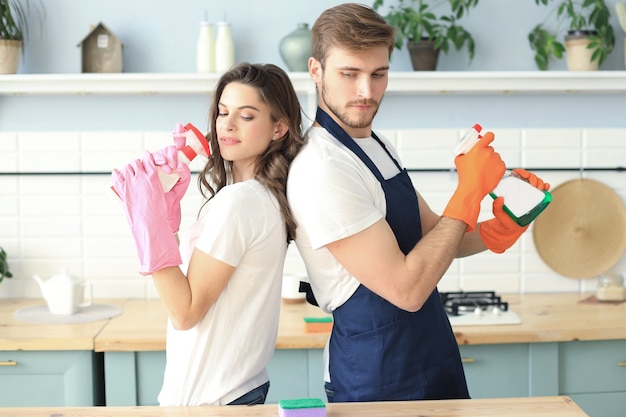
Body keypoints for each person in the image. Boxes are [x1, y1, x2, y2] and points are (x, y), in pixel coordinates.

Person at [286, 3, 550, 403]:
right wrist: (468, 192)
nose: (366, 91)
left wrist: (500, 228)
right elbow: (407, 290)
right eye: (349, 74)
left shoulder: (375, 145)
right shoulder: (321, 168)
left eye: (379, 74)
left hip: (431, 355)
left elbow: (436, 236)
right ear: (316, 70)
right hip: (377, 376)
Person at [111, 62, 305, 406]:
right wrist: (166, 221)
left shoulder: (240, 201)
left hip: (213, 402)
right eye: (222, 112)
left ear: (278, 128)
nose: (226, 125)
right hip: (235, 391)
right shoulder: (261, 197)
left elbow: (185, 312)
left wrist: (150, 222)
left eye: (246, 116)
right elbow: (194, 286)